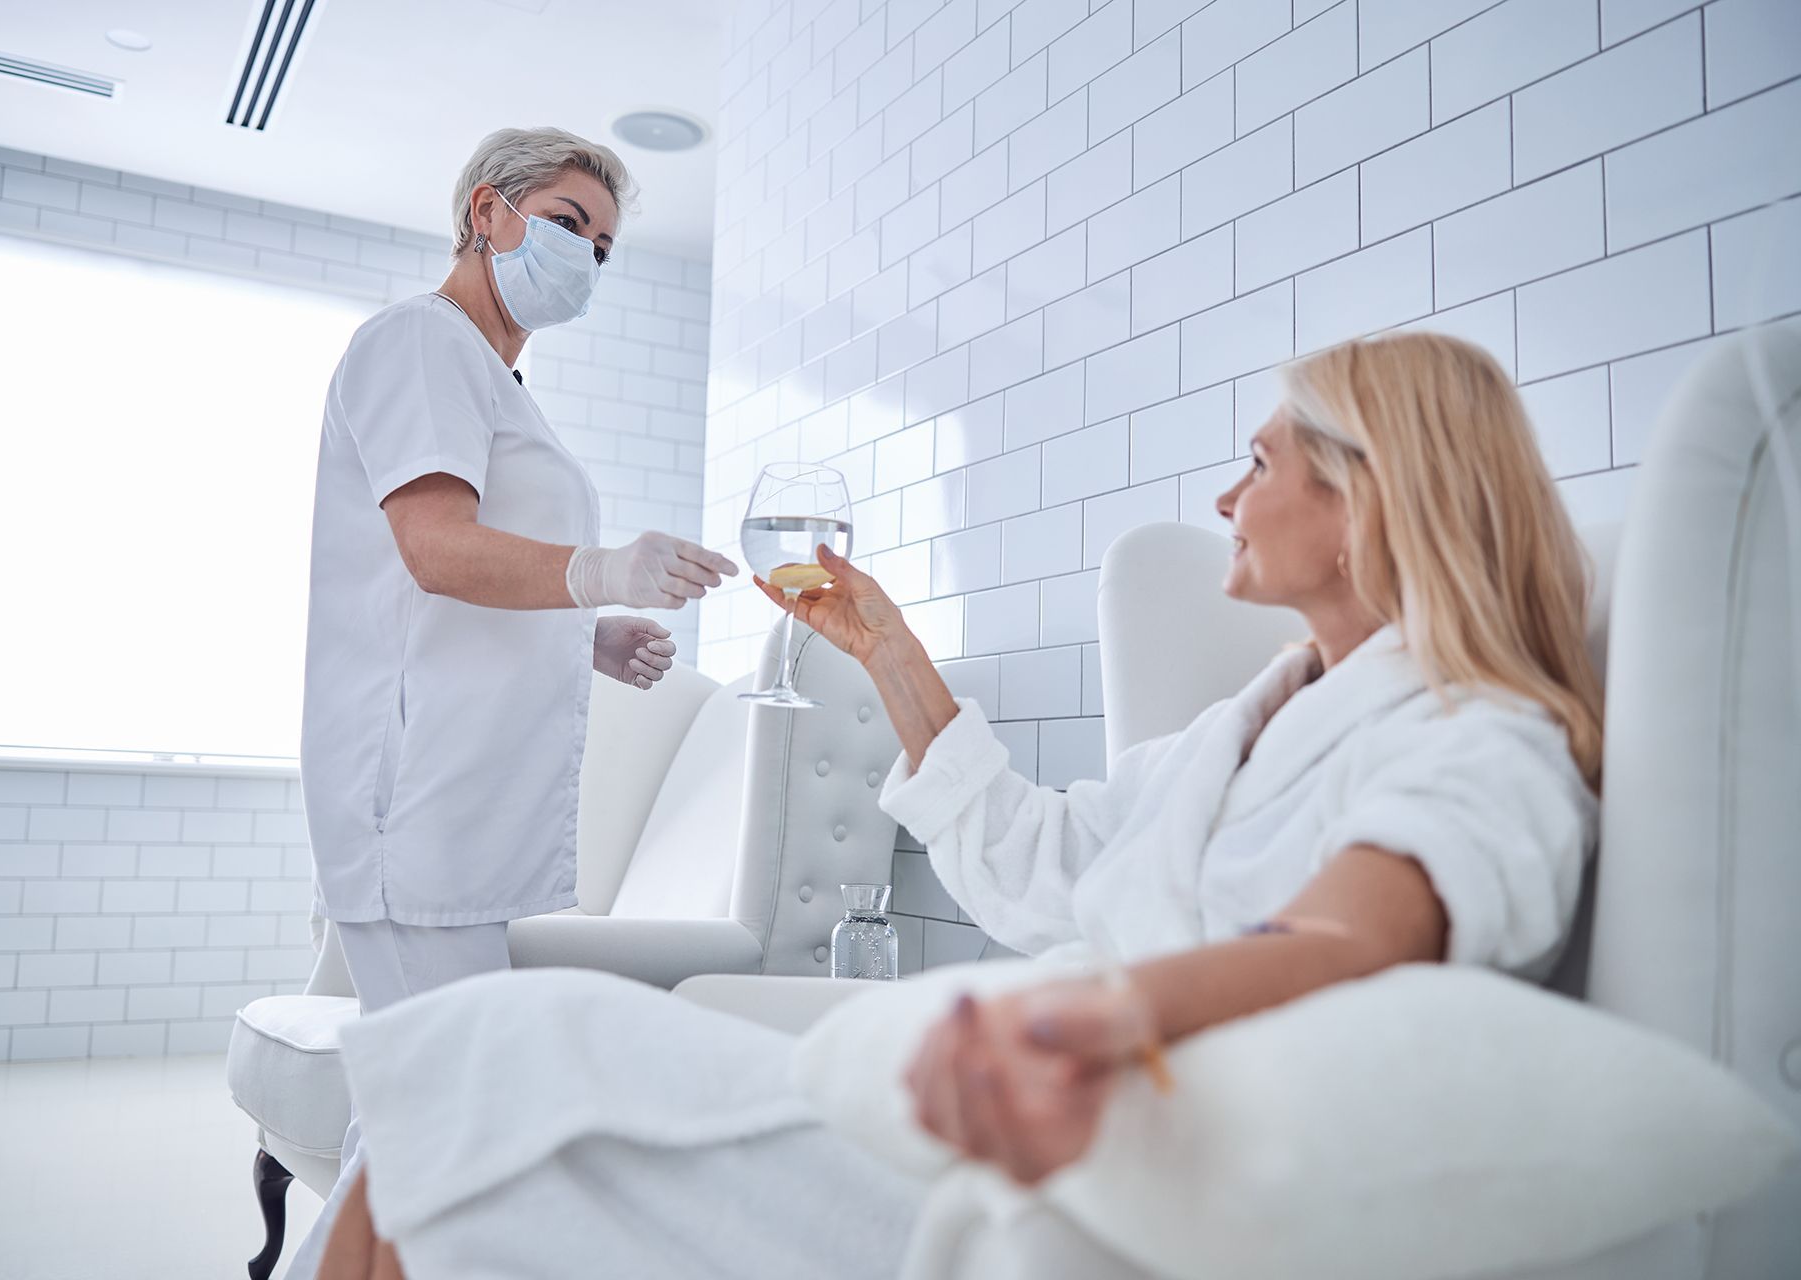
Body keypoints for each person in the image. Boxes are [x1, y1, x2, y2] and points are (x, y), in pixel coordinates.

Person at [297, 332, 1603, 1279]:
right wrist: (882, 648)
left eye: (1258, 462)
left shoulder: (1481, 741)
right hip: (1036, 1118)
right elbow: (1040, 857)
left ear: (1372, 492)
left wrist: (1102, 1013)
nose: (1223, 499)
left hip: (1095, 1181)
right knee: (475, 1092)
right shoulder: (1246, 731)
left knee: (500, 1066)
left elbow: (1341, 949)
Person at [293, 124, 739, 1234]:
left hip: (465, 804)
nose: (587, 255)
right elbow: (435, 549)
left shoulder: (492, 379)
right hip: (421, 802)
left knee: (419, 1115)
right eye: (568, 223)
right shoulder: (419, 343)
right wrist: (600, 572)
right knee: (445, 1115)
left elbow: (435, 603)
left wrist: (586, 633)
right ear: (486, 212)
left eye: (604, 244)